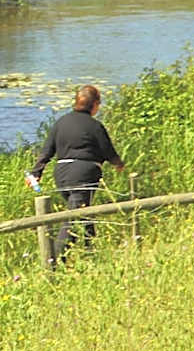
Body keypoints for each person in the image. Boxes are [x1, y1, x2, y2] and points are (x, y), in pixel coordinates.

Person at [29, 85, 125, 263]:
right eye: (99, 103)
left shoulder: (61, 123)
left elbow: (46, 151)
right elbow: (108, 151)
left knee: (83, 211)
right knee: (73, 218)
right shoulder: (95, 126)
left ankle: (91, 252)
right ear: (94, 104)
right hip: (83, 174)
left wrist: (36, 173)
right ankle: (56, 263)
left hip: (62, 174)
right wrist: (119, 164)